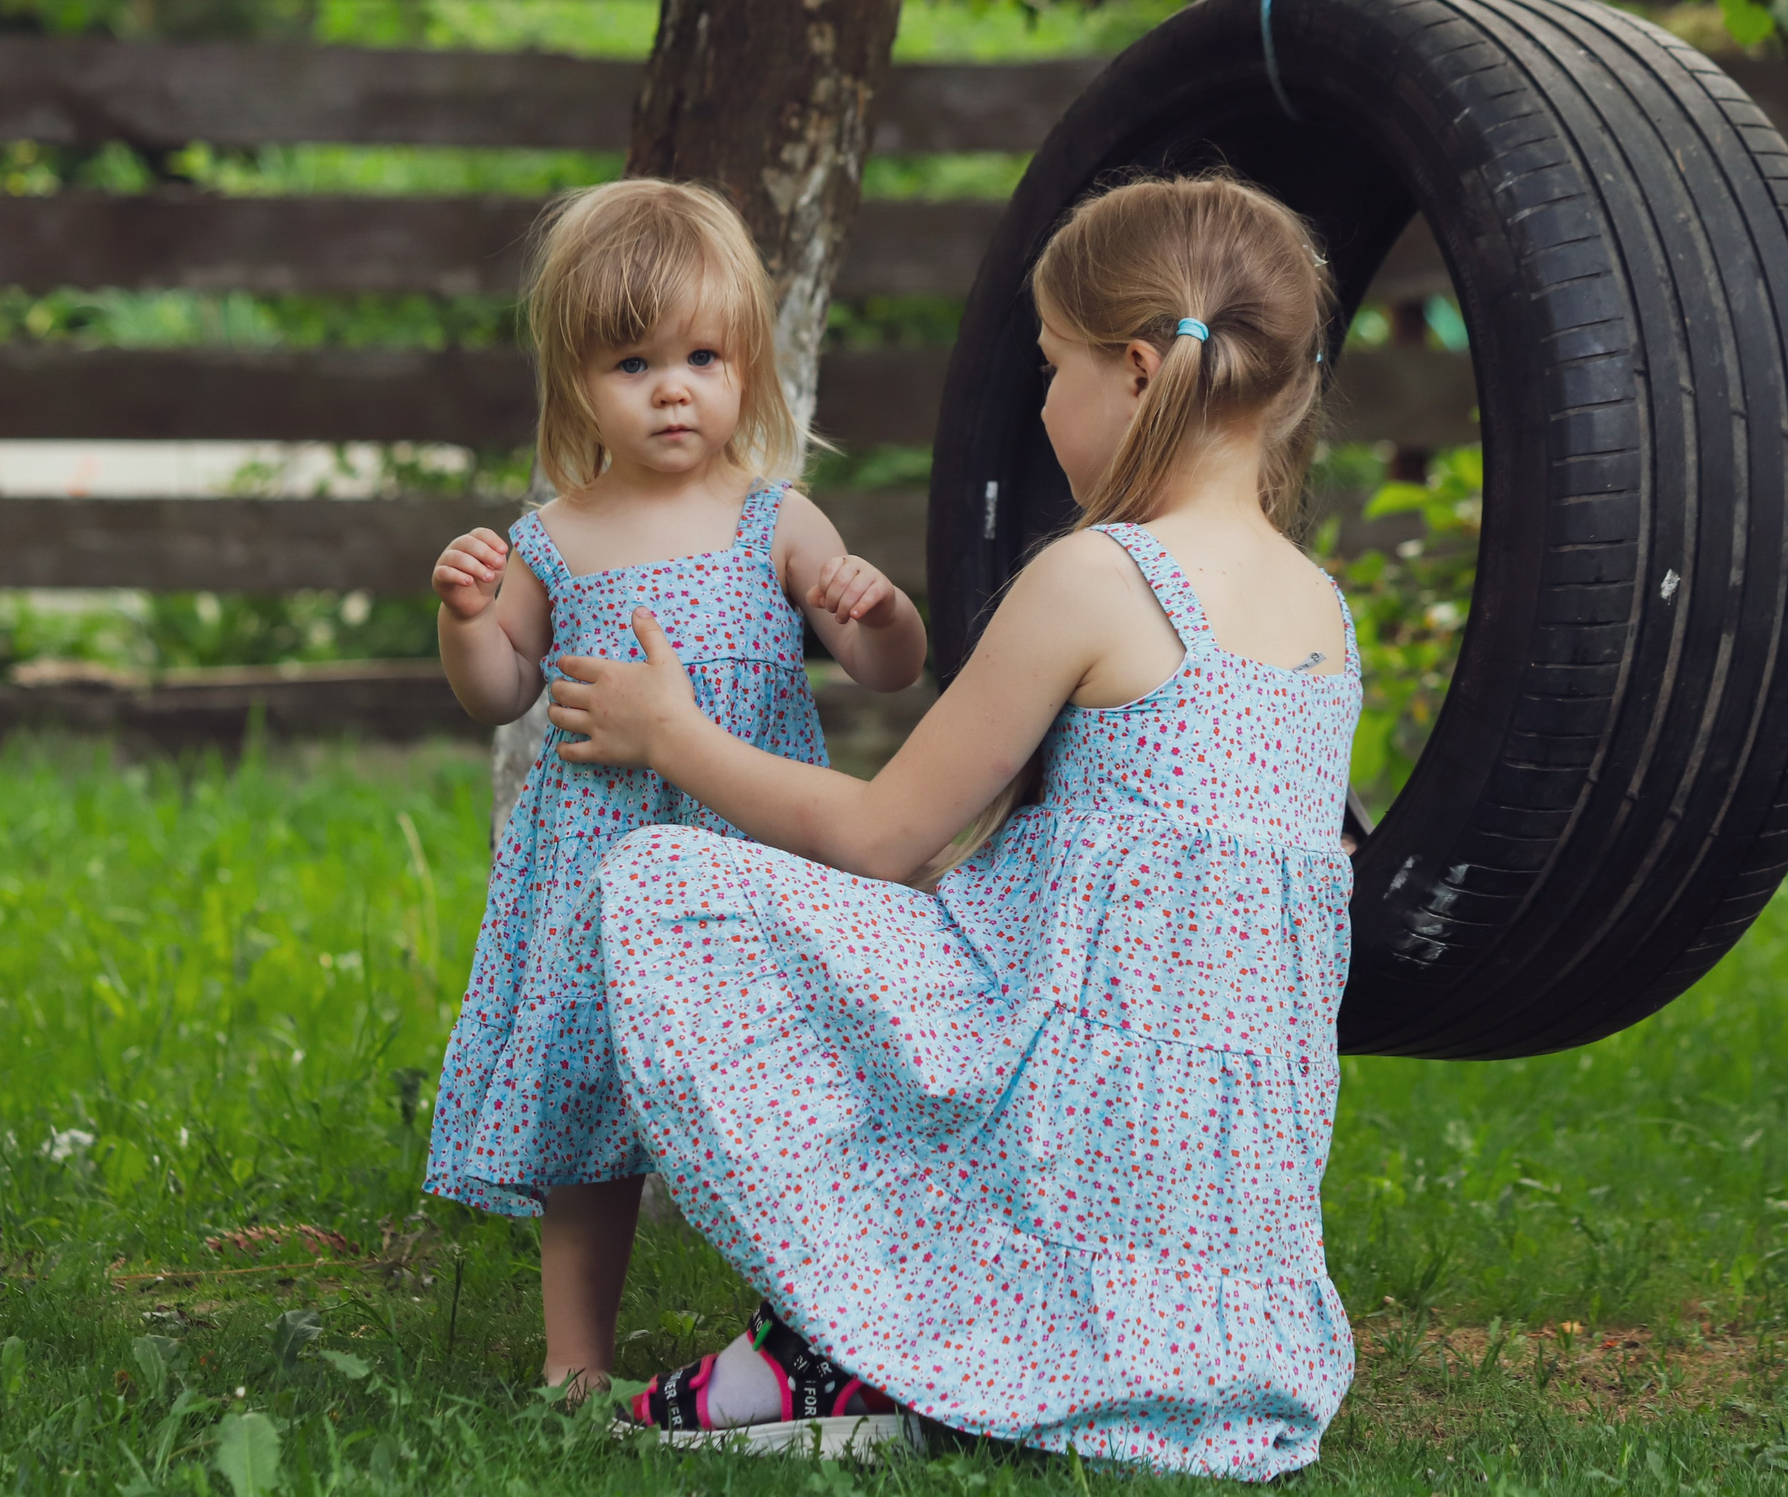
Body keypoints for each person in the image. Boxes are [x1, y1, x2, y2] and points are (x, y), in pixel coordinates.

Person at [550, 173, 1363, 1476]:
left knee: (669, 886)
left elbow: (889, 836)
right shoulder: (1326, 610)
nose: (1043, 403)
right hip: (1220, 1193)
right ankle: (985, 1350)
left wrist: (674, 738)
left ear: (1140, 371)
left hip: (1067, 1108)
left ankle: (861, 1331)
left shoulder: (1097, 577)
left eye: (1052, 367)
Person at [421, 179, 929, 1399]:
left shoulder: (774, 519)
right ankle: (573, 1359)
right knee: (588, 1108)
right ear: (574, 384)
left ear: (747, 365)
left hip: (754, 847)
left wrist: (877, 608)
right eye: (632, 361)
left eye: (703, 355)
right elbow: (497, 691)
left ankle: (815, 1323)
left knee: (791, 1086)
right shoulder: (554, 537)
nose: (672, 387)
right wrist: (464, 616)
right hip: (600, 865)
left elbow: (886, 668)